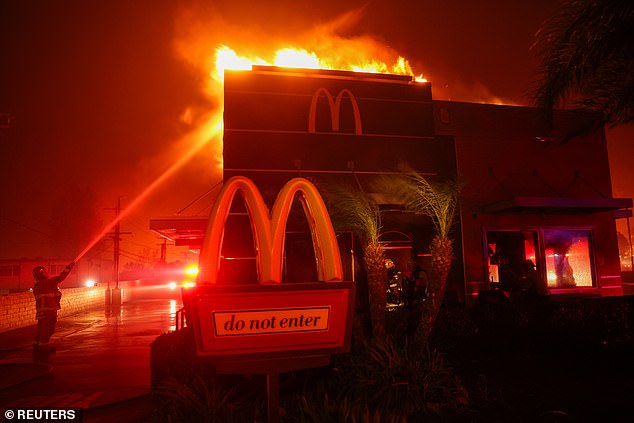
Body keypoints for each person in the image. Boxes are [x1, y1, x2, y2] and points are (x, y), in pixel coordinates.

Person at [32, 261, 75, 349]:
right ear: (42, 274)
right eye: (46, 272)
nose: (48, 274)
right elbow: (61, 277)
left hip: (41, 312)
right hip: (49, 311)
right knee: (48, 329)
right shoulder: (48, 282)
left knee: (41, 329)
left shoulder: (37, 285)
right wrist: (69, 267)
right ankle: (44, 347)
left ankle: (37, 345)